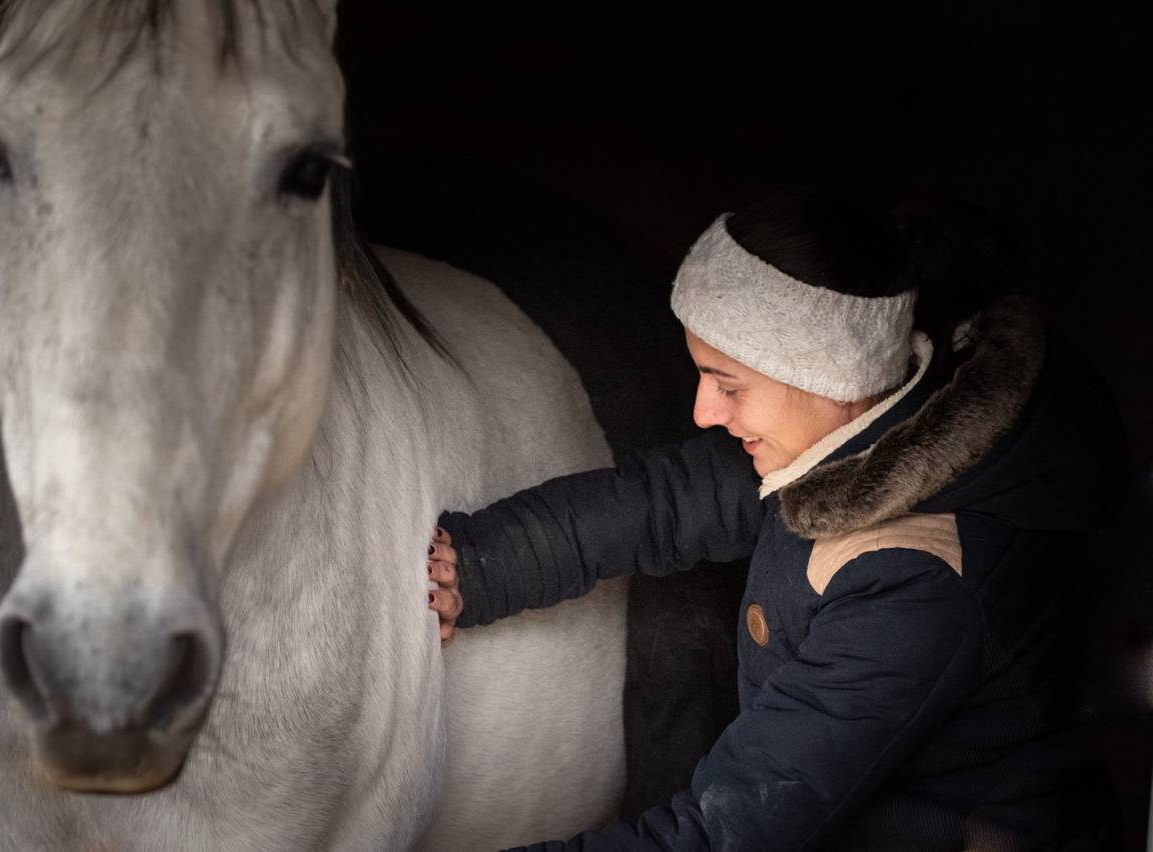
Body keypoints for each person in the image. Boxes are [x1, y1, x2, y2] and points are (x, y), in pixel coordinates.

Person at [424, 190, 1131, 851]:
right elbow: (663, 501)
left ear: (833, 378)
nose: (704, 411)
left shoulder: (917, 578)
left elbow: (725, 831)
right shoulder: (842, 437)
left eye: (728, 385)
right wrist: (482, 565)